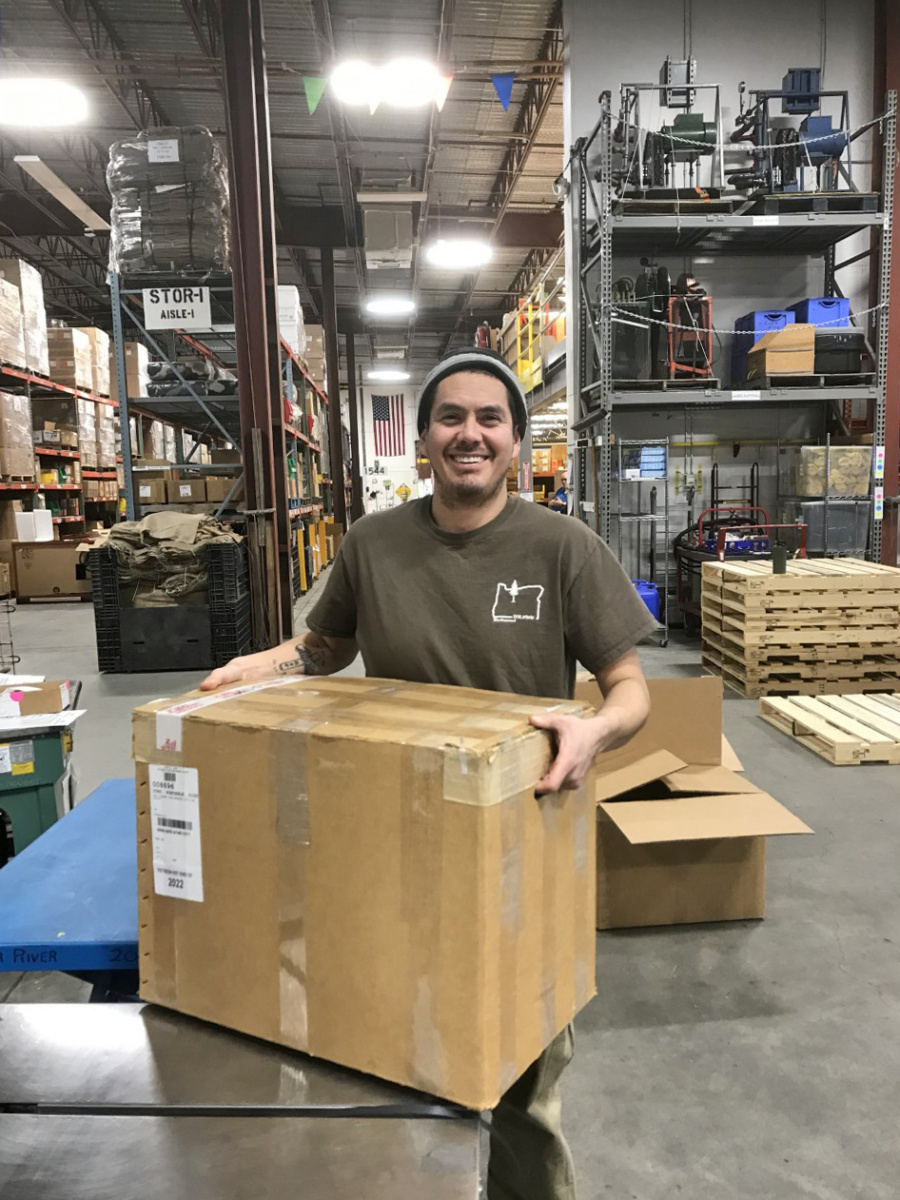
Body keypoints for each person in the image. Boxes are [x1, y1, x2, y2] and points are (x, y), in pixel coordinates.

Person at [201, 345, 658, 1200]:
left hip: (525, 841)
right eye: (452, 417)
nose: (471, 435)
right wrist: (257, 664)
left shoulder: (564, 546)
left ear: (516, 442)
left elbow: (628, 687)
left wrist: (595, 731)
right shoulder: (375, 543)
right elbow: (326, 646)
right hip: (393, 841)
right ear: (423, 438)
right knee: (391, 1054)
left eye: (491, 419)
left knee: (525, 1087)